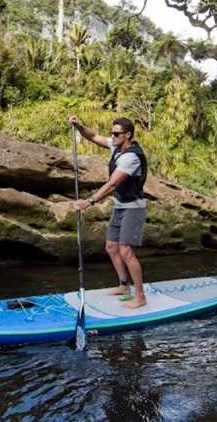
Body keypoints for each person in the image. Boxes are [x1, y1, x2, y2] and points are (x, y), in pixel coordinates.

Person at [69, 115, 148, 309]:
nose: (112, 136)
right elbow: (93, 136)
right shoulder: (116, 147)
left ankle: (140, 295)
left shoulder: (131, 157)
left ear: (127, 135)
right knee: (111, 247)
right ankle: (124, 286)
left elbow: (112, 184)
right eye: (112, 133)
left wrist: (89, 202)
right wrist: (79, 126)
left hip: (134, 208)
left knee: (126, 250)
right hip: (120, 206)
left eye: (116, 134)